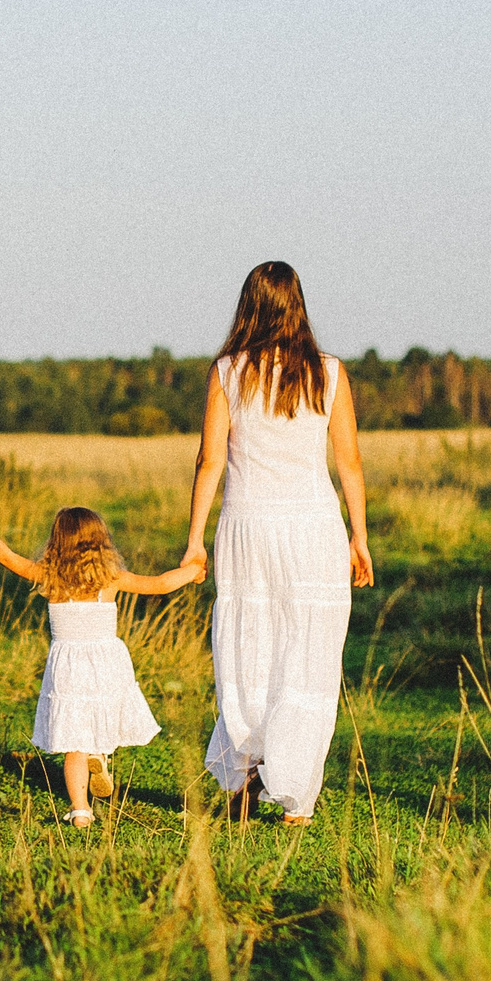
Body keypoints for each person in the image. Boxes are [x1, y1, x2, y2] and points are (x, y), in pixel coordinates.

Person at [179, 262, 373, 825]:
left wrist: (194, 541)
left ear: (249, 305)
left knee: (248, 651)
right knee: (308, 654)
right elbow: (350, 462)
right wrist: (359, 536)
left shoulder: (228, 372)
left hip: (247, 529)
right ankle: (295, 795)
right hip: (314, 530)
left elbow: (210, 460)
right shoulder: (328, 373)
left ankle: (246, 771)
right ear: (298, 305)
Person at [0, 504, 206, 826]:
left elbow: (9, 559)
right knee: (102, 715)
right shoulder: (111, 578)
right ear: (101, 541)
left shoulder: (49, 576)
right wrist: (193, 571)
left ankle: (80, 810)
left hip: (67, 664)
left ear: (56, 541)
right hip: (107, 660)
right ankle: (99, 755)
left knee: (73, 739)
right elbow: (159, 584)